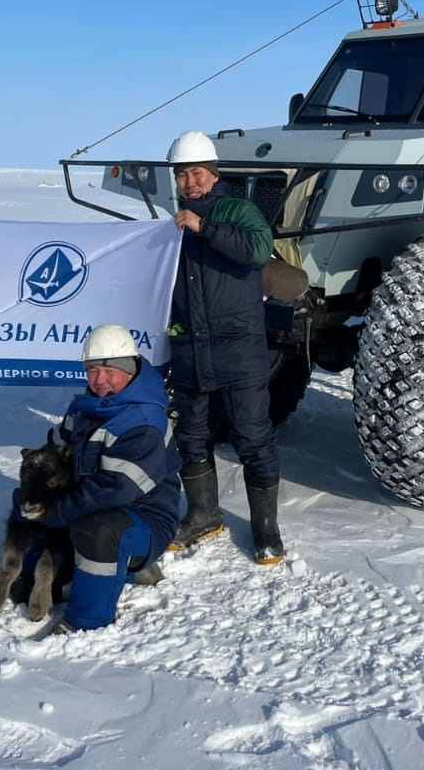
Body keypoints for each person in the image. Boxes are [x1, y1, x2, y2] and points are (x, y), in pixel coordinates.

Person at [165, 130, 285, 564]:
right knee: (192, 434)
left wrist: (206, 228)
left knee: (252, 435)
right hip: (190, 346)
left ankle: (266, 529)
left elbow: (257, 250)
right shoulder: (171, 222)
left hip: (238, 345)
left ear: (214, 174)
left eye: (197, 173)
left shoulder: (240, 210)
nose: (190, 182)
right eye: (182, 175)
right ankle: (203, 515)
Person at [18, 324, 181, 633]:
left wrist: (56, 510)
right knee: (27, 501)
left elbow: (114, 490)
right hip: (95, 503)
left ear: (129, 370)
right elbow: (57, 442)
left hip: (145, 517)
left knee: (99, 531)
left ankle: (85, 622)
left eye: (109, 372)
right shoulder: (88, 405)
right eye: (92, 371)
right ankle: (42, 579)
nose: (100, 380)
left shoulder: (143, 421)